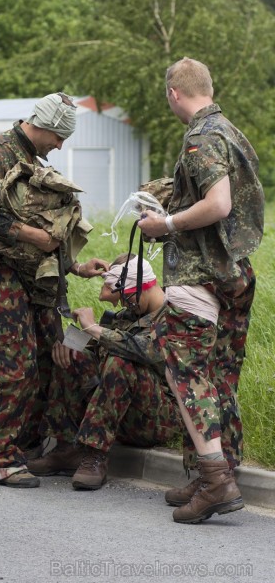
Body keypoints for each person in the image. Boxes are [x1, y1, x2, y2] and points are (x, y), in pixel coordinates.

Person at [138, 57, 264, 524]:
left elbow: (220, 203)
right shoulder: (229, 130)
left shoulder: (200, 137)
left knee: (185, 372)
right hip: (233, 274)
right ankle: (219, 468)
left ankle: (216, 481)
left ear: (174, 93)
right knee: (219, 375)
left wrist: (164, 223)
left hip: (201, 275)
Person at [0, 92, 109, 489]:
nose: (61, 145)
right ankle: (0, 458)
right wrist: (33, 235)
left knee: (53, 359)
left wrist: (76, 265)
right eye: (60, 136)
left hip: (37, 283)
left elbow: (46, 238)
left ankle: (27, 445)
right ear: (43, 125)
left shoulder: (31, 161)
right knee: (13, 369)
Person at [27, 254, 183, 490]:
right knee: (73, 355)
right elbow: (95, 349)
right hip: (125, 414)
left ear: (139, 288)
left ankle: (95, 455)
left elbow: (145, 351)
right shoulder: (131, 315)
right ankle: (67, 448)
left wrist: (93, 327)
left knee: (120, 360)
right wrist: (70, 342)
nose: (122, 305)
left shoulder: (173, 316)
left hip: (157, 420)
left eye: (125, 298)